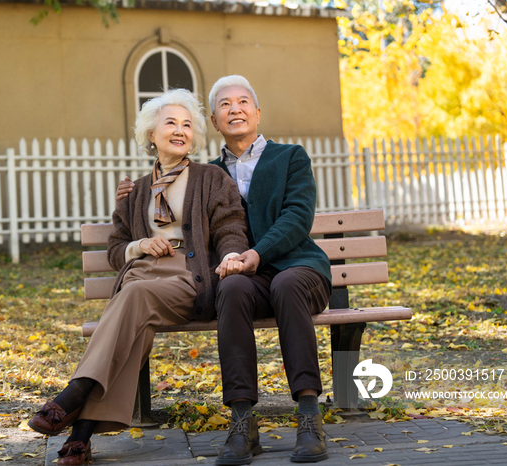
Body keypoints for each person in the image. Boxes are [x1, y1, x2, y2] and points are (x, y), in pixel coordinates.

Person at [117, 76, 332, 464]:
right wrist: (135, 194)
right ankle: (242, 421)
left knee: (285, 283)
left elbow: (298, 217)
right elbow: (168, 198)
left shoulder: (290, 157)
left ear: (257, 112)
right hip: (246, 279)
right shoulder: (206, 175)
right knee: (229, 290)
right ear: (215, 121)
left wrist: (256, 254)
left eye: (244, 101)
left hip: (298, 268)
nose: (236, 109)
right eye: (225, 105)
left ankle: (308, 414)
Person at [28, 88, 249, 465]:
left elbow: (231, 226)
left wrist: (231, 255)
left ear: (193, 135)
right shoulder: (135, 190)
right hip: (141, 277)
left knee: (131, 299)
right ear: (152, 134)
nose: (179, 131)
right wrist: (141, 245)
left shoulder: (211, 178)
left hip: (186, 277)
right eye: (170, 123)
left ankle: (72, 395)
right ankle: (80, 436)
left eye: (187, 125)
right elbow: (116, 249)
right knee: (134, 328)